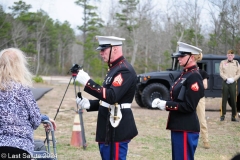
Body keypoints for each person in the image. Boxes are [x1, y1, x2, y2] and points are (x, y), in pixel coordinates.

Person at [75, 36, 138, 160]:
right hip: (108, 126)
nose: (101, 53)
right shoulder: (114, 69)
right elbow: (110, 97)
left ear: (114, 49)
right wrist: (91, 104)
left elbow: (112, 97)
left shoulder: (124, 70)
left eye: (104, 50)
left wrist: (88, 82)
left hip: (117, 127)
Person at [152, 42, 204, 160]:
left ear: (191, 57)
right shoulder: (184, 74)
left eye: (182, 56)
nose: (178, 58)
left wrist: (166, 105)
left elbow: (189, 106)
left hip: (186, 126)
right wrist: (164, 102)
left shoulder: (194, 76)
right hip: (179, 125)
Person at [0, 48, 55, 159]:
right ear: (19, 66)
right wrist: (43, 118)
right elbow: (35, 120)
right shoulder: (23, 89)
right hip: (20, 149)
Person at [219, 49, 240, 122]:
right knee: (224, 99)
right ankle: (222, 115)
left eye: (231, 55)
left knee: (234, 99)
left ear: (233, 56)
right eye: (229, 55)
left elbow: (238, 73)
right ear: (227, 55)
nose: (230, 56)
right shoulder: (223, 62)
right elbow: (221, 72)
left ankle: (234, 116)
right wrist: (226, 79)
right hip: (225, 82)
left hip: (233, 83)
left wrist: (233, 79)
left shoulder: (236, 63)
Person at [196, 69, 210, 149]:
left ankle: (205, 141)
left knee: (202, 120)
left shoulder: (202, 73)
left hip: (199, 98)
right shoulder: (186, 72)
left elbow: (205, 86)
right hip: (189, 98)